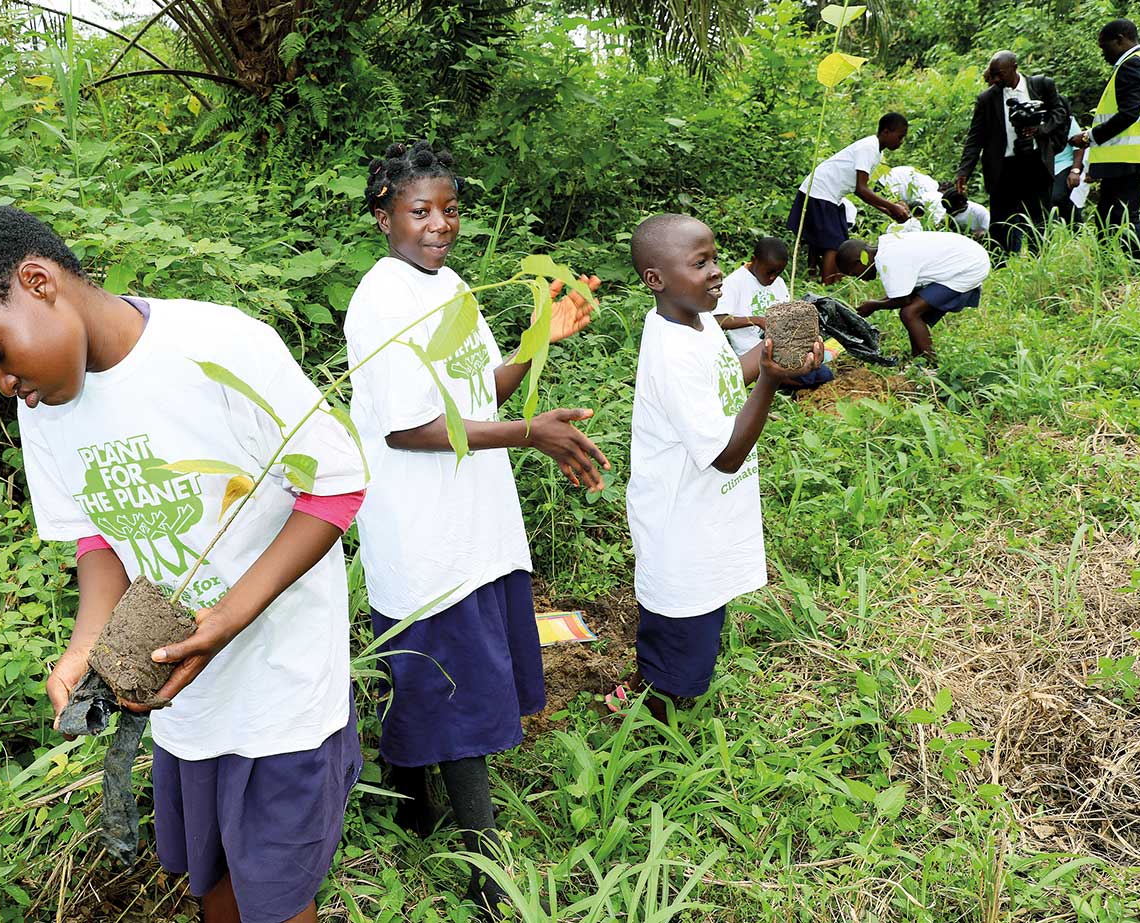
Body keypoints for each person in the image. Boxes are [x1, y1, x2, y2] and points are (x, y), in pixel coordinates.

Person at [0, 204, 370, 923]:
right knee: (213, 880)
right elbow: (98, 537)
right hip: (186, 706)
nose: (5, 385)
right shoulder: (45, 410)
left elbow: (336, 486)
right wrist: (84, 646)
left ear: (37, 282)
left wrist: (228, 617)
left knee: (278, 896)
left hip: (282, 692)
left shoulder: (219, 347)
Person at [343, 141, 607, 919]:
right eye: (419, 210)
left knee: (439, 676)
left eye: (450, 209)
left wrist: (537, 337)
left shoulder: (451, 283)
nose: (438, 225)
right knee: (449, 685)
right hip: (427, 533)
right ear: (383, 211)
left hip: (474, 521)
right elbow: (410, 427)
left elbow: (477, 388)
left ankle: (411, 802)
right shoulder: (382, 299)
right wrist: (532, 433)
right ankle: (486, 865)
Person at [611, 213, 818, 726]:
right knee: (680, 632)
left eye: (716, 259)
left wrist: (771, 358)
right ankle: (653, 722)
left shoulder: (694, 322)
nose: (717, 273)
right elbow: (727, 457)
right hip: (680, 521)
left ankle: (648, 685)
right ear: (655, 280)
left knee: (691, 624)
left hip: (703, 517)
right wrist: (771, 382)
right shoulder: (673, 351)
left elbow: (726, 375)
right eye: (700, 263)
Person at [955, 51, 1070, 255]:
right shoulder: (986, 99)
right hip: (1003, 167)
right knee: (1001, 222)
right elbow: (975, 137)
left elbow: (1060, 112)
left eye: (1000, 74)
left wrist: (1040, 130)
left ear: (1014, 67)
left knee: (1038, 219)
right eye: (993, 74)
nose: (996, 79)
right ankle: (1001, 266)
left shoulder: (1041, 85)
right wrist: (964, 171)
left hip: (1036, 162)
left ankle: (1040, 261)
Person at [1070, 18, 1140, 263]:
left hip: (1127, 155)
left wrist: (1090, 136)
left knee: (1125, 217)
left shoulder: (1133, 65)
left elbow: (1129, 113)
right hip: (1130, 154)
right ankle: (1105, 265)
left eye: (1105, 47)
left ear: (1120, 39)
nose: (1103, 54)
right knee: (1106, 215)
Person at [787, 113, 911, 285]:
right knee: (835, 244)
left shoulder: (876, 152)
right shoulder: (868, 147)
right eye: (900, 136)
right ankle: (827, 285)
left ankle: (819, 276)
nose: (901, 141)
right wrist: (892, 207)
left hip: (828, 194)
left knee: (832, 237)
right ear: (886, 132)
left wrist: (888, 211)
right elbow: (862, 189)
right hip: (820, 190)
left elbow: (860, 191)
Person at [836, 229, 991, 363]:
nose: (859, 278)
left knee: (910, 313)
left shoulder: (888, 261)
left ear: (859, 262)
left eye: (854, 274)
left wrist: (874, 305)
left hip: (969, 266)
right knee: (914, 312)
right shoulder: (887, 245)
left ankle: (930, 366)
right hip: (967, 255)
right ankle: (918, 359)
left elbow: (903, 300)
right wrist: (875, 303)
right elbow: (903, 294)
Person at [713, 236, 789, 357]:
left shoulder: (779, 283)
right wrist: (757, 321)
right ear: (754, 260)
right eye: (769, 272)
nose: (772, 278)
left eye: (778, 273)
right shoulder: (735, 283)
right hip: (751, 354)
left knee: (821, 371)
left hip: (780, 349)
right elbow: (718, 320)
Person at [1050, 116, 1092, 224]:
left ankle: (1077, 228)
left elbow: (1079, 145)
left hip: (1064, 163)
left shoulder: (1065, 118)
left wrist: (1075, 170)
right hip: (1045, 166)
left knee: (1057, 196)